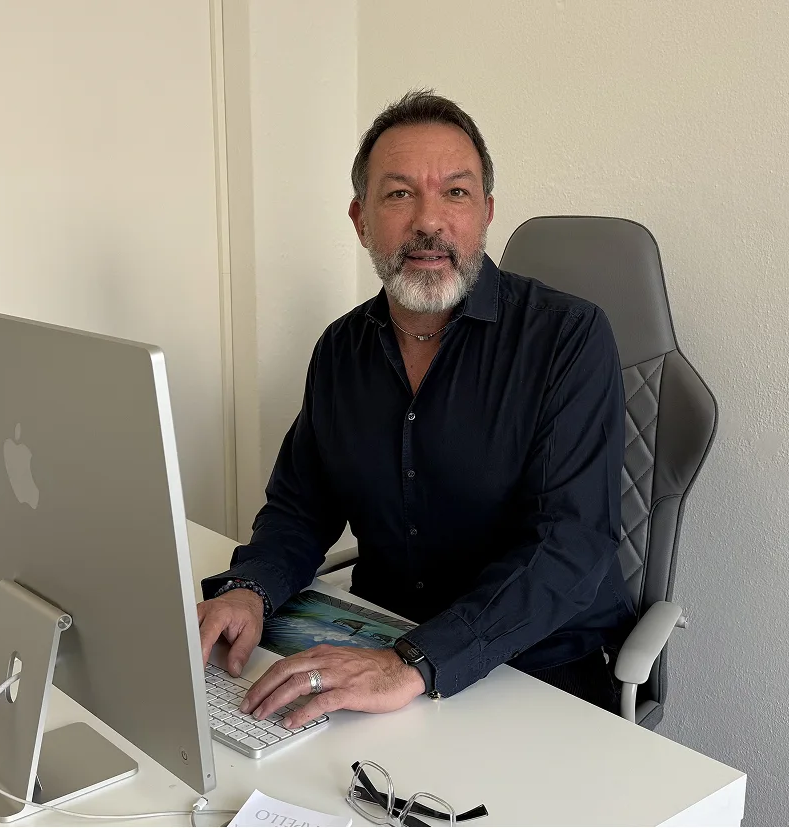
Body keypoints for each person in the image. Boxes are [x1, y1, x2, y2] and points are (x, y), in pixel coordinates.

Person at [199, 89, 637, 730]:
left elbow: (569, 546)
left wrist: (416, 661)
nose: (429, 222)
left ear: (486, 212)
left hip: (534, 666)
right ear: (361, 219)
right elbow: (300, 508)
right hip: (381, 645)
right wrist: (250, 588)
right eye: (399, 194)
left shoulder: (569, 338)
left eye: (455, 192)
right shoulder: (340, 350)